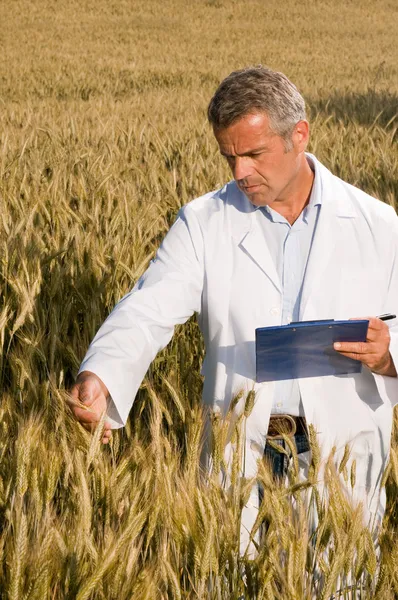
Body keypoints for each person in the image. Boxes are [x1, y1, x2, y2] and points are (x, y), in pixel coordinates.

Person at [70, 66, 398, 549]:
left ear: (299, 136)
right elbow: (148, 307)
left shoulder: (377, 223)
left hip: (340, 449)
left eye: (253, 154)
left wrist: (386, 354)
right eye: (229, 156)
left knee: (338, 579)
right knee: (234, 571)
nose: (240, 172)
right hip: (243, 445)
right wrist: (100, 375)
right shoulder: (205, 222)